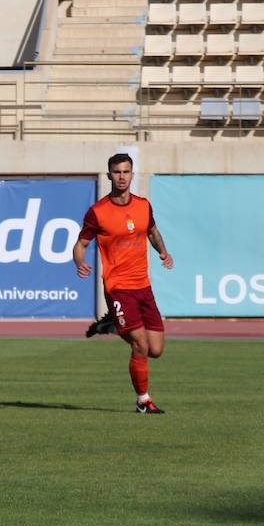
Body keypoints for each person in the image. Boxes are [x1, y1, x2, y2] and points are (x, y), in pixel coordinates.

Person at [72, 152, 175, 414]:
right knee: (140, 343)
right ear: (109, 175)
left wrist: (163, 252)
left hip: (143, 286)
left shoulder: (143, 206)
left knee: (156, 349)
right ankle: (143, 401)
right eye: (117, 172)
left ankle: (112, 325)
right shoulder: (98, 212)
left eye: (126, 172)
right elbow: (81, 244)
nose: (122, 177)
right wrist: (80, 262)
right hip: (117, 287)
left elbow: (152, 231)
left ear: (132, 174)